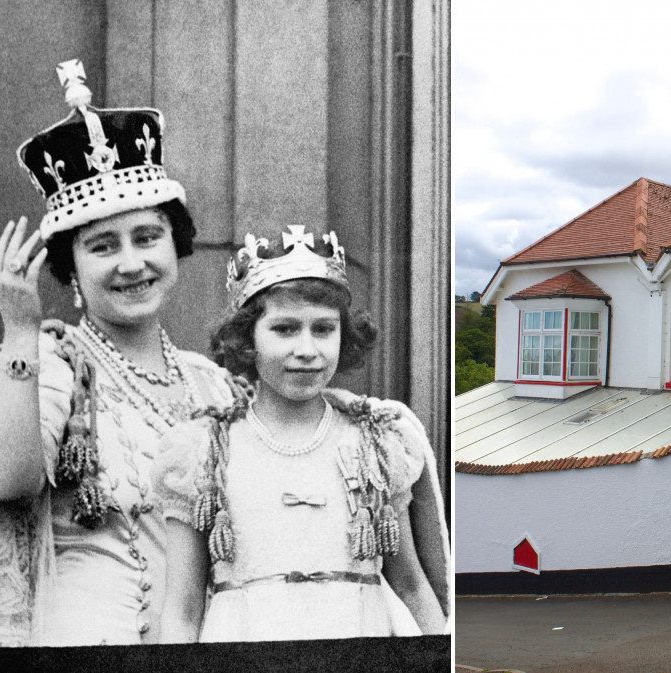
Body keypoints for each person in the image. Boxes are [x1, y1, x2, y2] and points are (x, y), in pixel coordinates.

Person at [0, 59, 235, 647]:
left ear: (175, 247)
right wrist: (21, 332)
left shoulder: (211, 384)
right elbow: (5, 484)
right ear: (71, 269)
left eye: (148, 237)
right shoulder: (50, 365)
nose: (132, 263)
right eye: (103, 246)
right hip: (84, 643)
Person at [152, 227, 450, 642]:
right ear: (246, 338)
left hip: (359, 643)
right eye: (286, 329)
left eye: (323, 329)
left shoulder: (374, 442)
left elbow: (411, 585)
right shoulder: (204, 451)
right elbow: (182, 611)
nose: (307, 349)